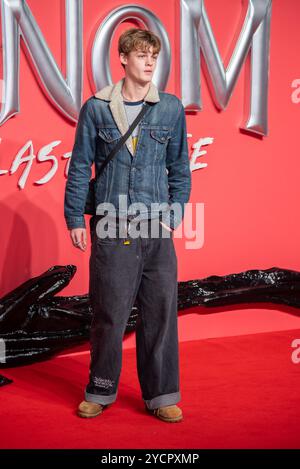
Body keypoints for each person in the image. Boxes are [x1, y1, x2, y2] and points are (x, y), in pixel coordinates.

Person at [64, 28, 191, 423]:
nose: (150, 61)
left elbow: (180, 168)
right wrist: (74, 217)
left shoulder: (169, 108)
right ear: (122, 59)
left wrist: (174, 215)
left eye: (153, 55)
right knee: (109, 313)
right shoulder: (97, 107)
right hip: (112, 224)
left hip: (155, 227)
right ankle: (100, 390)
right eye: (141, 55)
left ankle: (162, 395)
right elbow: (80, 166)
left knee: (161, 312)